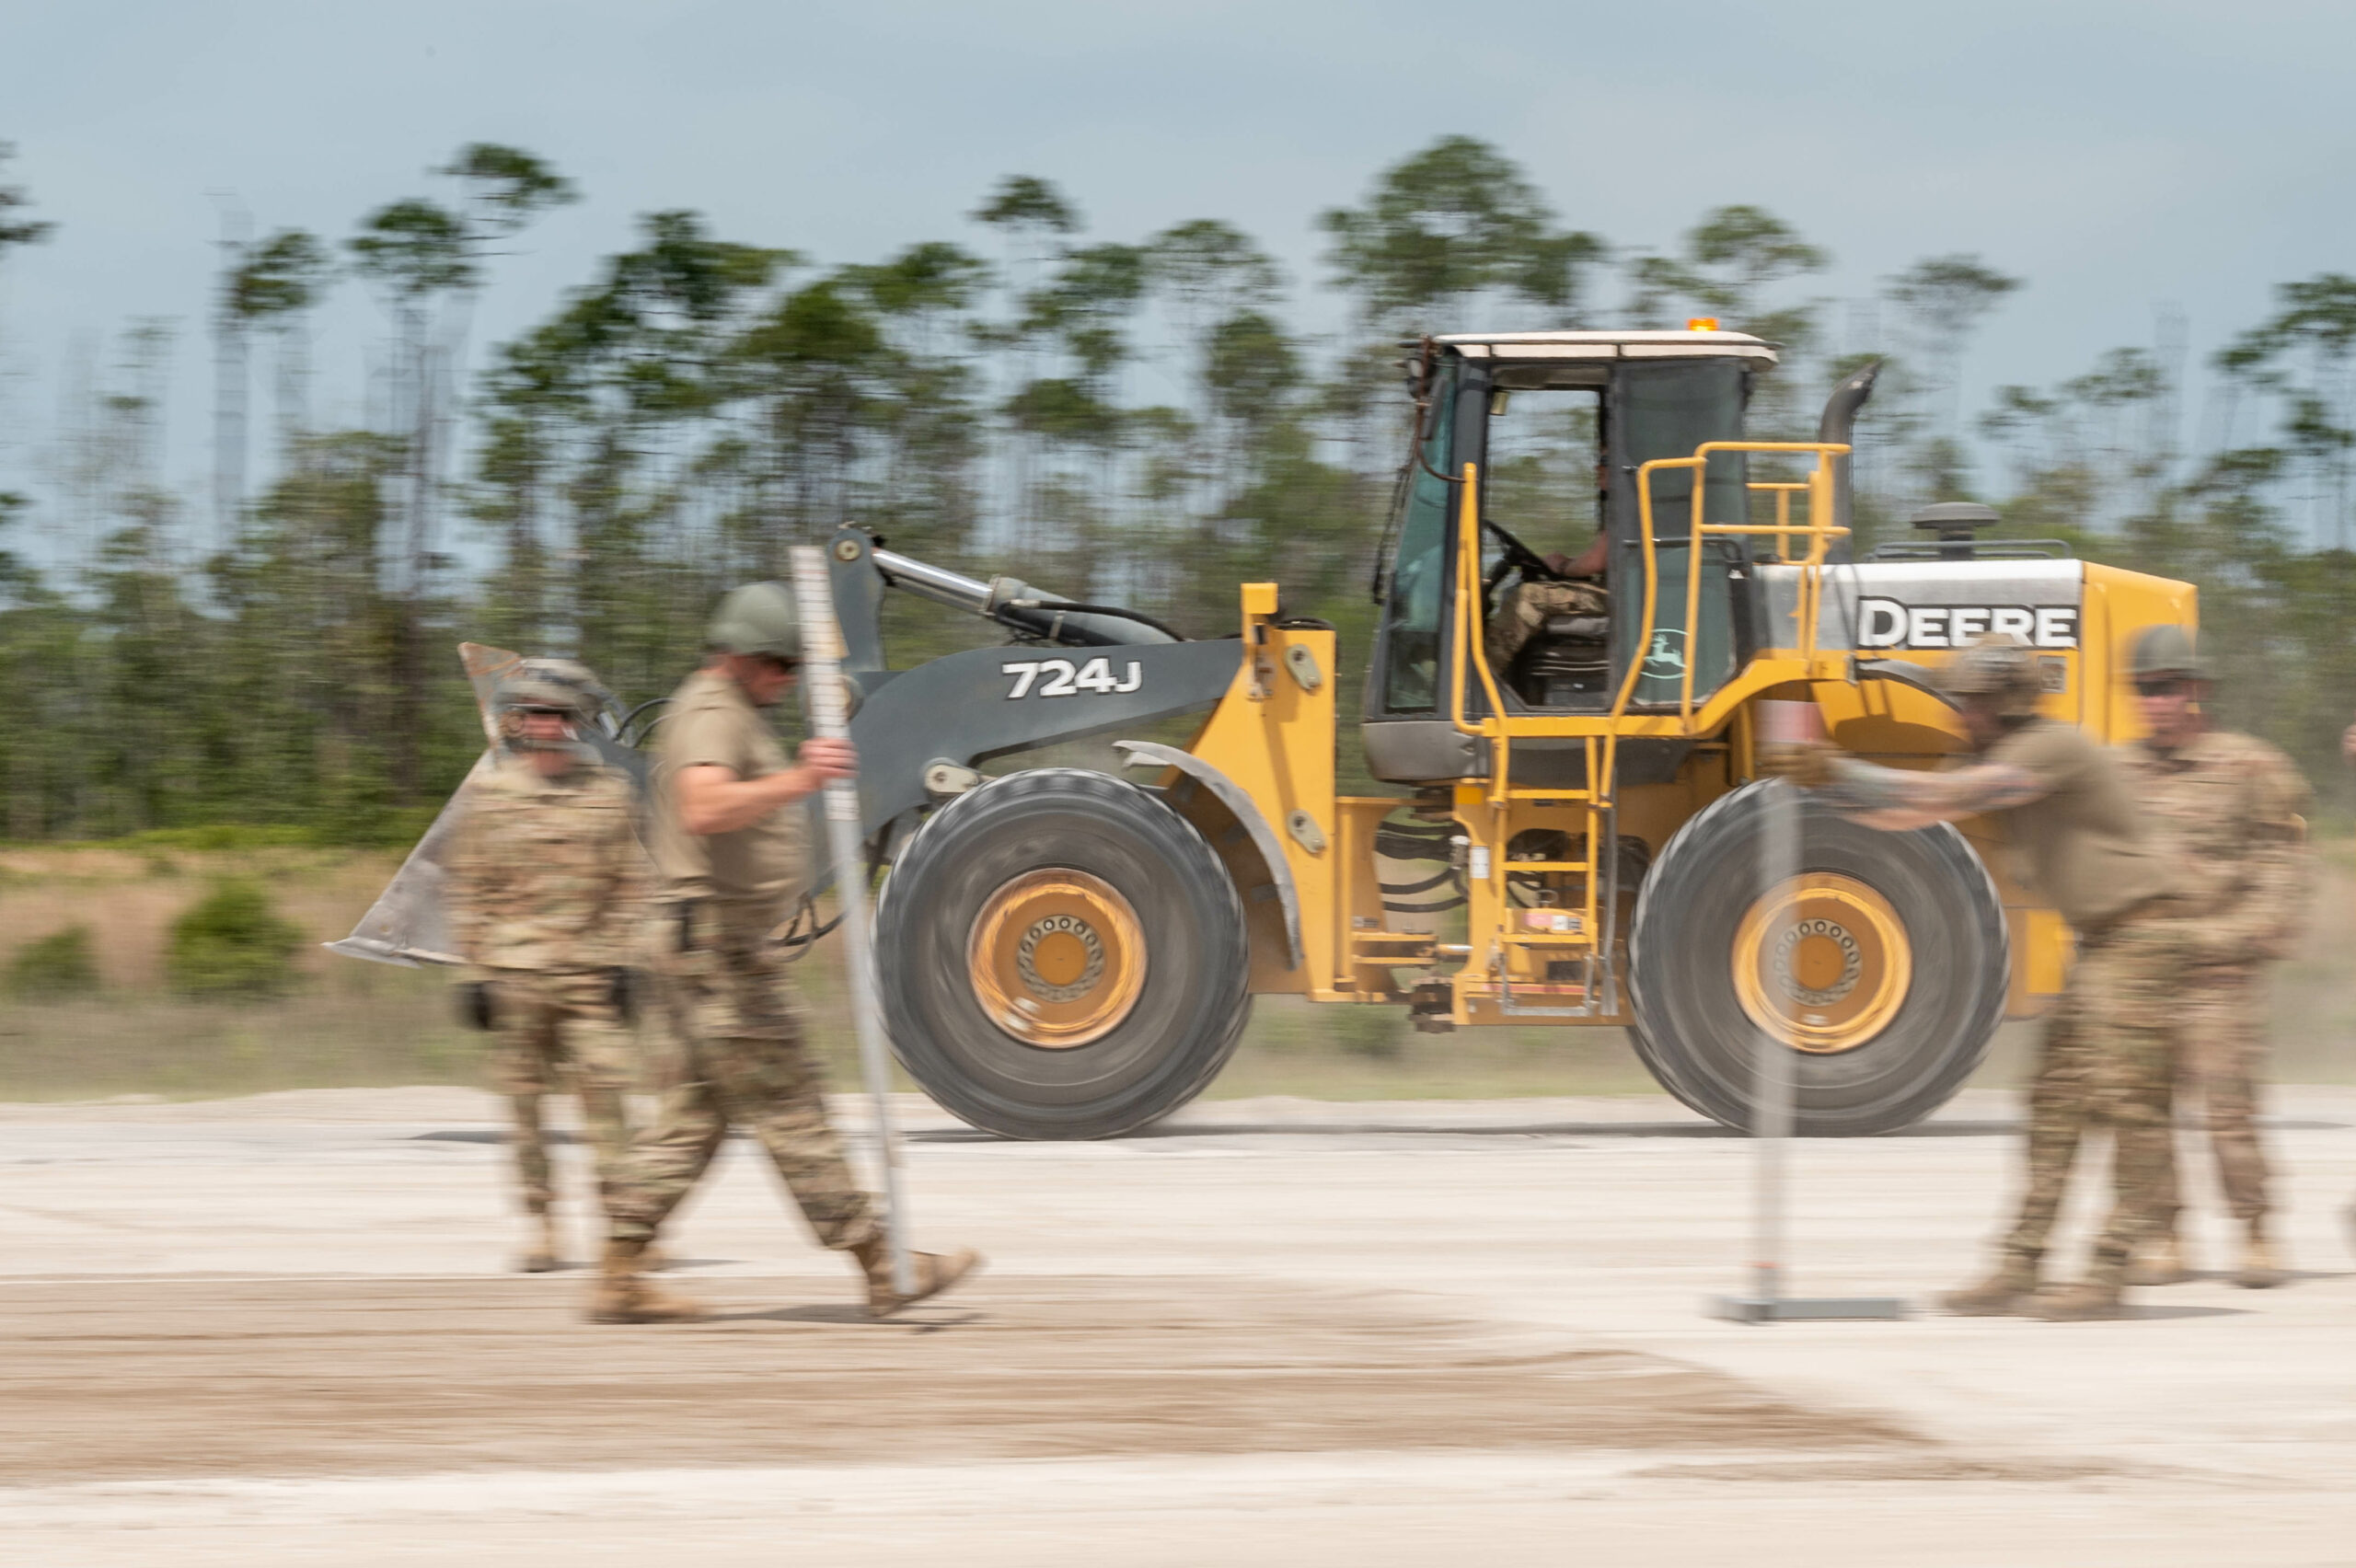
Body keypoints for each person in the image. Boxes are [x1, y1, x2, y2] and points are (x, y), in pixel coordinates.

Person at [590, 582, 981, 1324]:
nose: (790, 682)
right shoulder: (711, 712)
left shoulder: (722, 707)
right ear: (748, 658)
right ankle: (882, 1264)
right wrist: (802, 779)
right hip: (718, 948)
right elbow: (705, 806)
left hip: (705, 941)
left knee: (694, 1118)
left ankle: (619, 1270)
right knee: (790, 1103)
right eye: (783, 667)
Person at [1767, 633, 2188, 1320]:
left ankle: (2111, 1270)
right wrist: (1814, 784)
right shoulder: (1994, 751)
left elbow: (1957, 794)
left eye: (1972, 703)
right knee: (2054, 1105)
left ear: (2008, 703)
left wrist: (1836, 770)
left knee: (2130, 1107)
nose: (1960, 713)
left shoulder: (2051, 747)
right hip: (2106, 944)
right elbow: (1913, 811)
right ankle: (2021, 1263)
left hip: (2145, 935)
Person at [2119, 628, 2311, 1288]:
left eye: (2168, 687)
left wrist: (2247, 937)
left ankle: (2257, 1231)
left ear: (2196, 690)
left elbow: (2282, 866)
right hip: (2143, 972)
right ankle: (2164, 1234)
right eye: (2144, 689)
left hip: (2218, 972)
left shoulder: (2251, 766)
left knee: (2228, 1109)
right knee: (2143, 1112)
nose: (2156, 701)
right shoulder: (2119, 771)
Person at [446, 663, 649, 1274]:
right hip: (516, 978)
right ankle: (541, 1224)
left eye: (558, 717)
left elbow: (631, 886)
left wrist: (626, 964)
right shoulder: (490, 797)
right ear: (516, 723)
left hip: (590, 979)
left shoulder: (609, 794)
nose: (546, 727)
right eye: (534, 715)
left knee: (609, 1108)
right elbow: (471, 889)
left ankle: (628, 1232)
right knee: (525, 1108)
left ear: (576, 724)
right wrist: (472, 975)